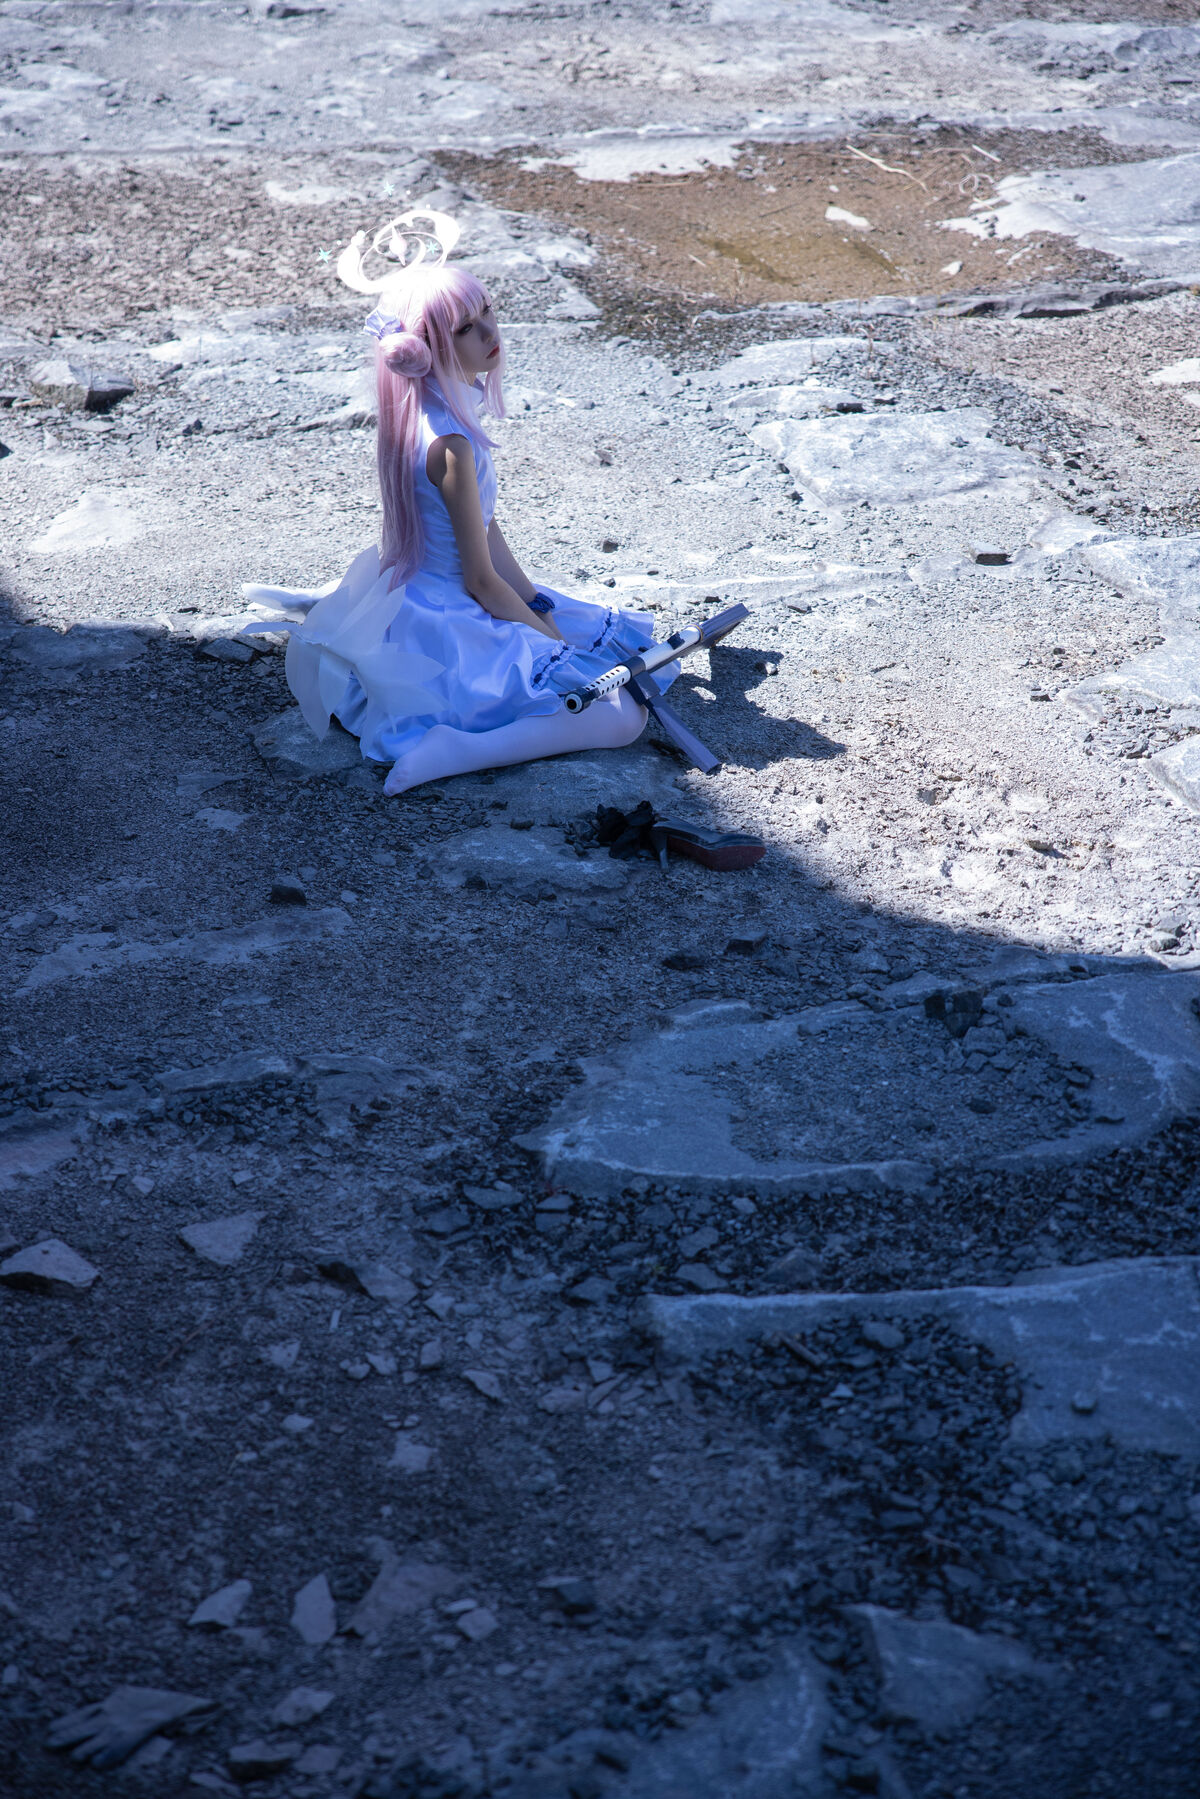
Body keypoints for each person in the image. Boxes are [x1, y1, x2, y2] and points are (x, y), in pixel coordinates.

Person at [244, 210, 676, 796]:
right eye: (466, 328)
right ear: (427, 347)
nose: (490, 333)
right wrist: (550, 642)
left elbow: (488, 534)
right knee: (622, 715)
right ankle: (456, 750)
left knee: (624, 653)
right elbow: (479, 579)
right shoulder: (449, 443)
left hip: (429, 597)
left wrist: (538, 604)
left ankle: (343, 618)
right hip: (453, 617)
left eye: (488, 312)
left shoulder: (422, 416)